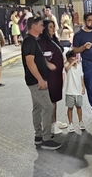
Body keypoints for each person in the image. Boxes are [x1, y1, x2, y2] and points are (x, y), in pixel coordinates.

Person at [22, 16, 62, 150]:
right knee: (48, 107)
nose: (43, 27)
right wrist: (40, 79)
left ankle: (39, 136)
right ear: (34, 26)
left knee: (38, 108)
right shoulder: (29, 41)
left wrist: (47, 65)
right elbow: (30, 62)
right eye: (41, 25)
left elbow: (36, 59)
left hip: (35, 80)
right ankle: (46, 138)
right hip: (35, 81)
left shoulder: (33, 40)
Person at [40, 19, 66, 135]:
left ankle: (54, 120)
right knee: (51, 99)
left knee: (55, 98)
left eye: (53, 26)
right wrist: (48, 63)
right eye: (50, 27)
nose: (53, 29)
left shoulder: (54, 39)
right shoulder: (42, 41)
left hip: (58, 73)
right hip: (50, 74)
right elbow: (40, 56)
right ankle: (52, 124)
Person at [63, 50, 85, 132]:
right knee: (70, 108)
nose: (74, 61)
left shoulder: (79, 66)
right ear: (68, 60)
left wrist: (83, 87)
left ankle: (80, 121)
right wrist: (72, 62)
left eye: (74, 58)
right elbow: (66, 69)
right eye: (71, 59)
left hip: (78, 91)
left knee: (79, 107)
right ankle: (70, 123)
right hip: (70, 91)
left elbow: (81, 77)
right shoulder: (68, 66)